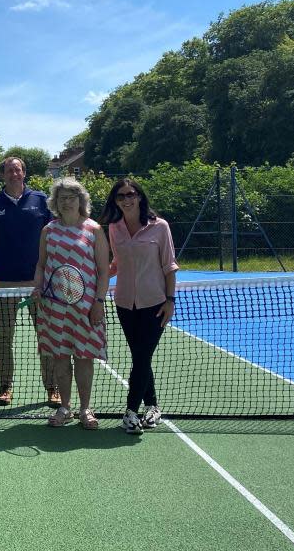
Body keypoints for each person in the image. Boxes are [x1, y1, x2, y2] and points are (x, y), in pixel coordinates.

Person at [101, 177, 178, 435]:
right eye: (121, 196)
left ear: (140, 196)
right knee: (140, 357)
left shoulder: (160, 227)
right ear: (116, 200)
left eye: (130, 194)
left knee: (142, 356)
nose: (126, 199)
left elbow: (169, 266)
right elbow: (116, 264)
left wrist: (170, 300)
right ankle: (153, 406)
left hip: (155, 303)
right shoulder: (114, 227)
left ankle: (130, 411)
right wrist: (94, 277)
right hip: (124, 304)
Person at [31, 177, 110, 429]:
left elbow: (103, 271)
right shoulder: (48, 230)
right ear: (55, 202)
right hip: (55, 307)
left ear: (81, 200)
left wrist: (98, 302)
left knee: (85, 358)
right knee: (60, 358)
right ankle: (65, 407)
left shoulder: (94, 230)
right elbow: (42, 265)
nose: (67, 202)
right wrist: (37, 287)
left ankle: (85, 409)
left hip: (86, 307)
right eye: (62, 198)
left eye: (71, 197)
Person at [0, 156, 55, 407]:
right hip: (5, 281)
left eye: (18, 170)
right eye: (9, 170)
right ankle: (5, 387)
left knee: (45, 335)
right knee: (4, 335)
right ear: (3, 175)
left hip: (39, 281)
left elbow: (51, 235)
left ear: (24, 173)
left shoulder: (42, 201)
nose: (14, 174)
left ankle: (52, 387)